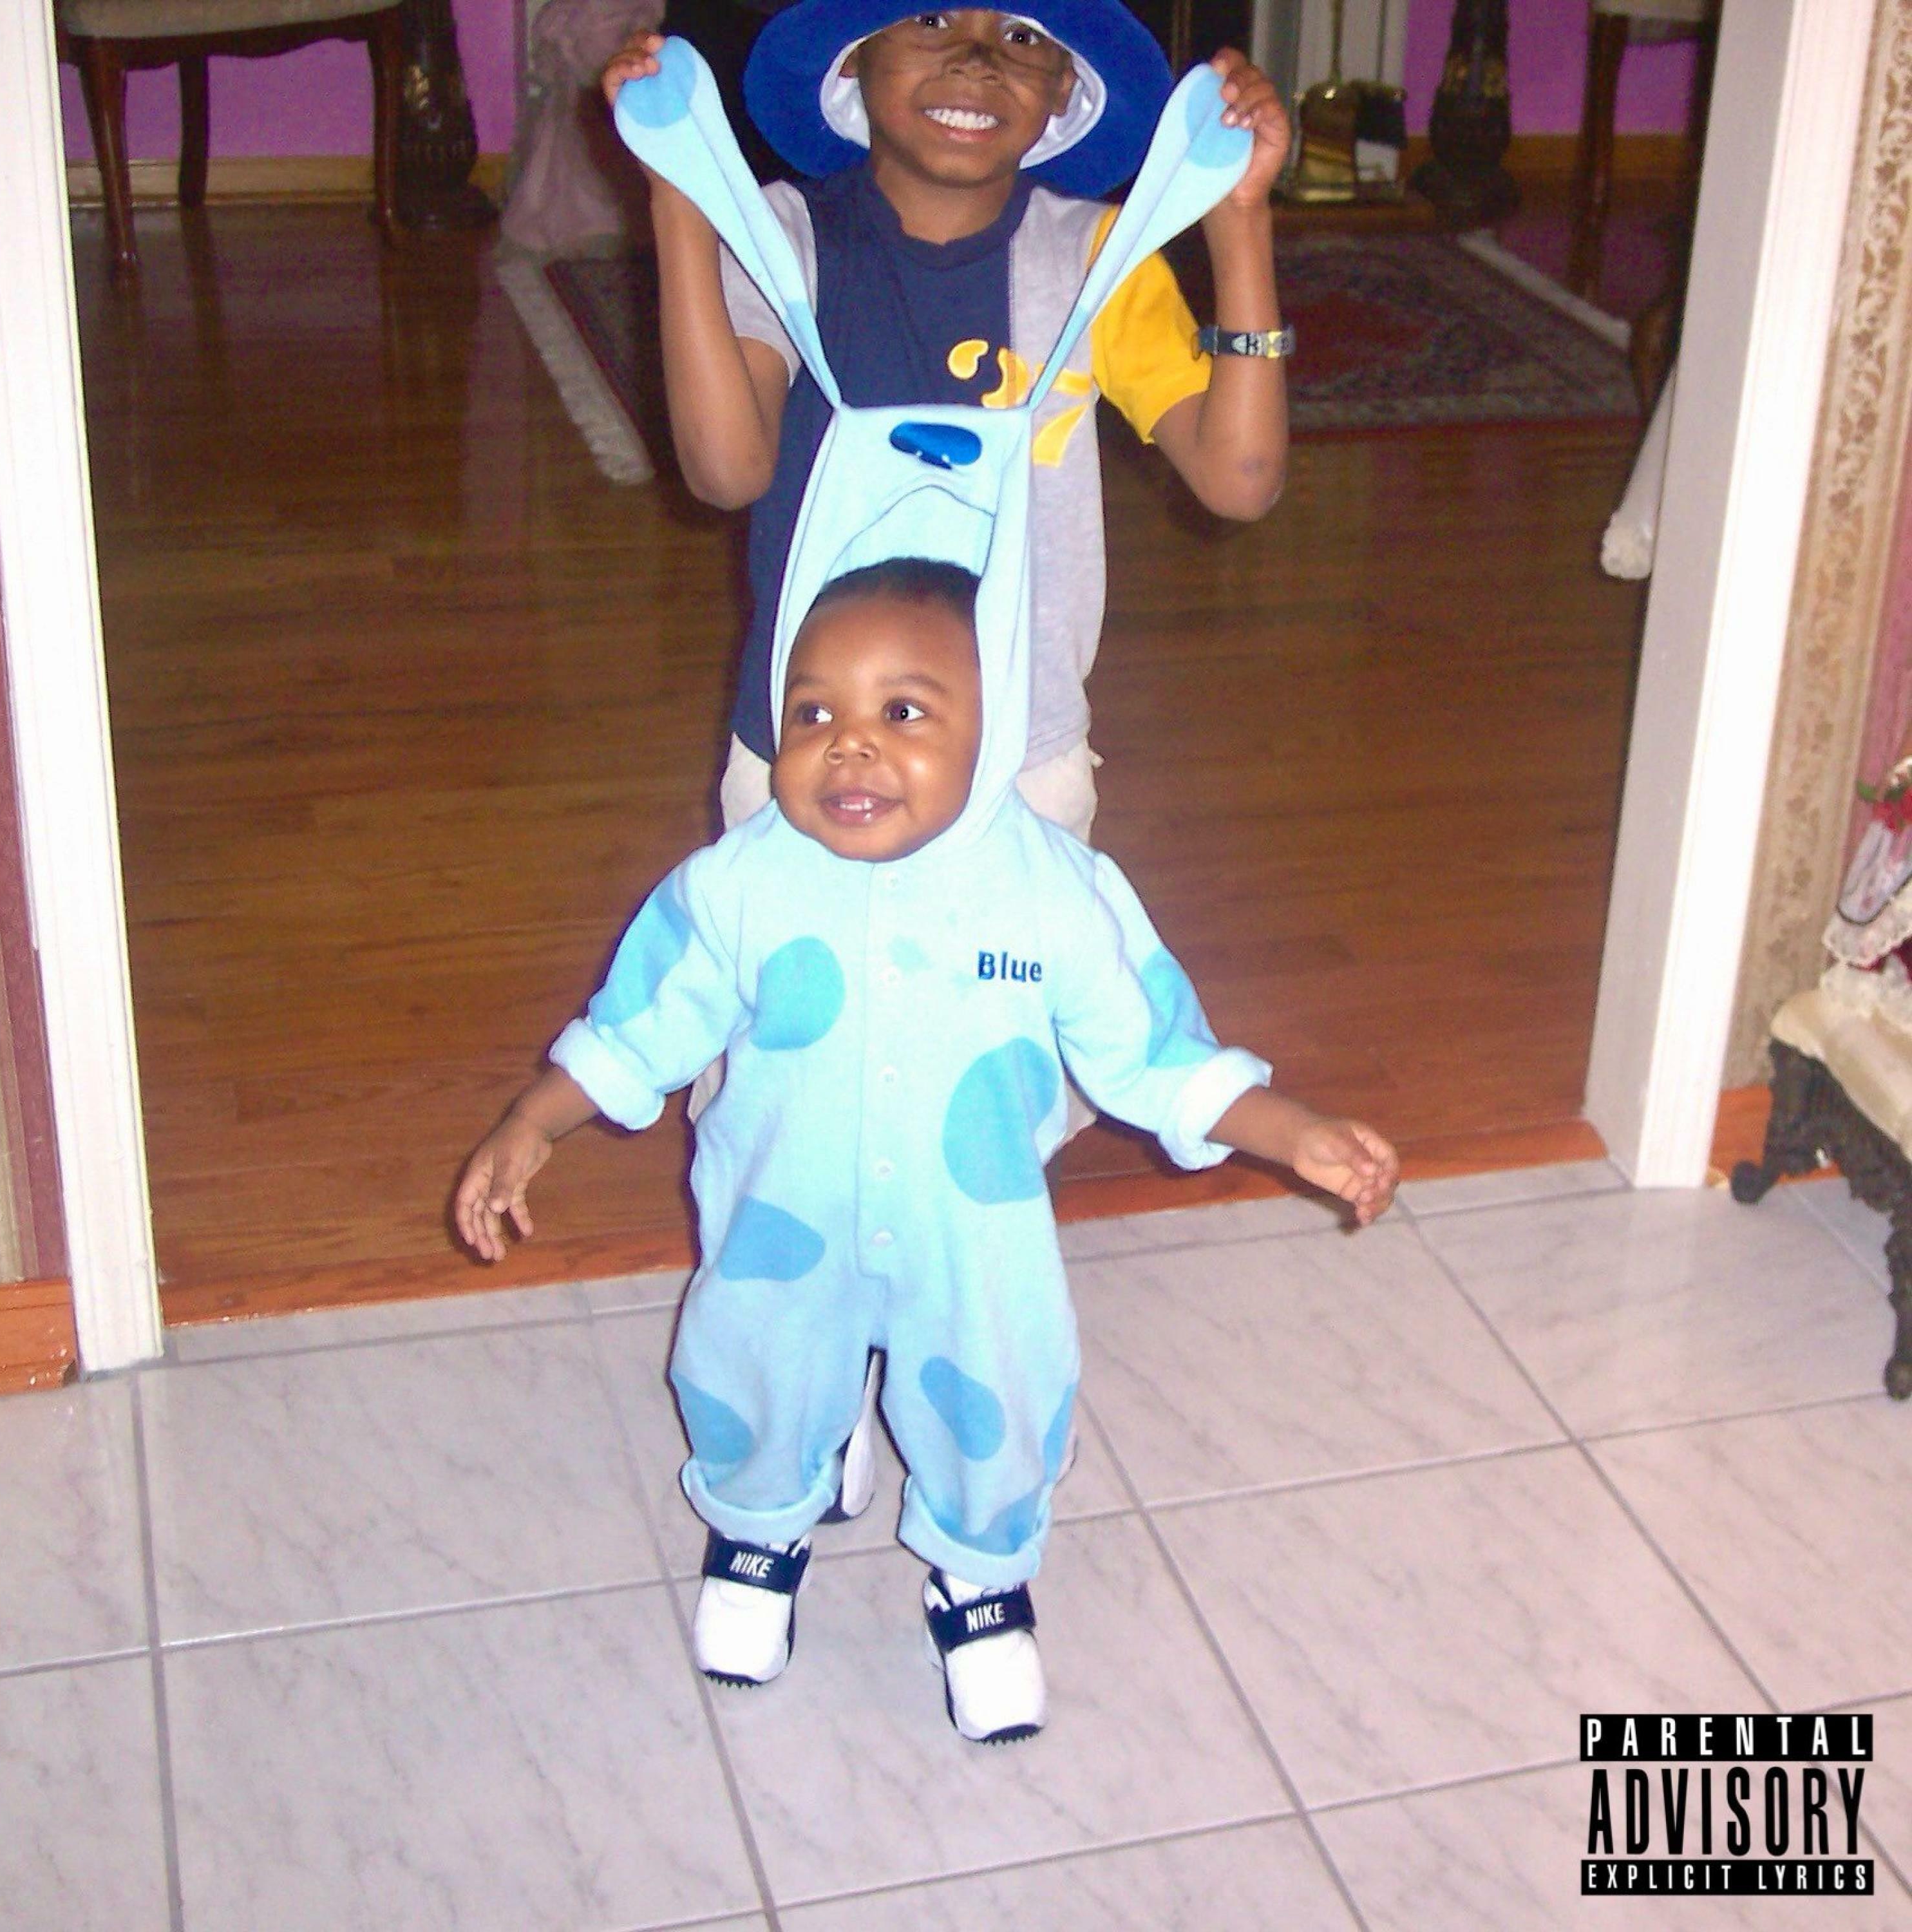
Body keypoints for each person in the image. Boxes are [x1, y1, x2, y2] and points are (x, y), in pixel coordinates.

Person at [453, 559, 1399, 1744]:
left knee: (995, 1391)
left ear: (991, 730)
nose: (849, 746)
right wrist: (532, 1122)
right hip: (784, 1228)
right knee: (755, 1364)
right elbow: (639, 1025)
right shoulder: (738, 885)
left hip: (973, 1239)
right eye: (814, 713)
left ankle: (979, 1572)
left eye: (903, 711)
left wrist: (1291, 1130)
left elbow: (1156, 1055)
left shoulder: (1053, 892)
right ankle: (759, 1523)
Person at [601, 3, 1293, 842]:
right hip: (810, 750)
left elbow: (1239, 482)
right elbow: (726, 470)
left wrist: (1241, 219)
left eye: (1022, 36)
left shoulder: (1097, 261)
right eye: (932, 19)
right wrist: (681, 198)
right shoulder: (780, 241)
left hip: (1021, 760)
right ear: (855, 58)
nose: (976, 59)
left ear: (1064, 85)